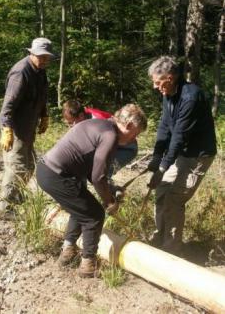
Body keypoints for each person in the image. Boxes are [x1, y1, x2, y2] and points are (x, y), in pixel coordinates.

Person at [36, 104, 147, 278]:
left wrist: (109, 190)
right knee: (94, 215)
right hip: (57, 175)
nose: (135, 138)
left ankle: (68, 251)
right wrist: (110, 202)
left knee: (81, 208)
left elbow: (91, 172)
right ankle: (88, 263)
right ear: (129, 125)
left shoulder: (99, 125)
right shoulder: (110, 136)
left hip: (48, 171)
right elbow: (97, 177)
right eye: (137, 133)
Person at [147, 56, 217, 255]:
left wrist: (163, 167)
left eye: (157, 82)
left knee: (175, 199)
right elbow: (164, 127)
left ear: (170, 77)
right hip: (181, 154)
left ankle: (171, 249)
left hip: (197, 156)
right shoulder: (168, 93)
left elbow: (179, 136)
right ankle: (160, 236)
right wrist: (156, 157)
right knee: (161, 191)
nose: (155, 86)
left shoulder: (190, 97)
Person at [0, 37, 55, 219]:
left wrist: (44, 115)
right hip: (16, 129)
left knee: (29, 166)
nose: (44, 60)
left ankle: (16, 197)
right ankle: (4, 209)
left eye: (47, 57)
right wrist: (6, 129)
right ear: (32, 53)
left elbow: (42, 96)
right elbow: (8, 105)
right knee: (17, 167)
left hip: (29, 127)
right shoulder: (21, 73)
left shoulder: (40, 71)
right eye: (40, 56)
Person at [62, 100, 138, 180]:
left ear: (81, 116)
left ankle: (107, 186)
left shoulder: (98, 121)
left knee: (103, 168)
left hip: (127, 147)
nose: (71, 126)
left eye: (71, 123)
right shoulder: (82, 117)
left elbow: (109, 144)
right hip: (111, 141)